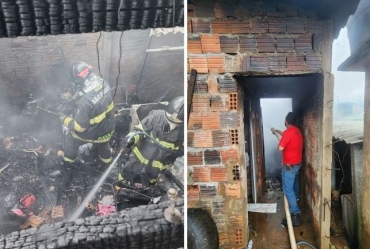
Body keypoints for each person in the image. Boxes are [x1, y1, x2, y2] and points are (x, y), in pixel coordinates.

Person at [118, 96, 184, 187]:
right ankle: (120, 183)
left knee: (153, 174)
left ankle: (151, 186)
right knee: (130, 168)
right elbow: (140, 130)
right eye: (170, 116)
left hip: (161, 160)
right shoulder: (157, 116)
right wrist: (130, 140)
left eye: (176, 119)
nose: (172, 119)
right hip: (142, 152)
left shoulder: (184, 131)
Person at [60, 62, 115, 166]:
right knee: (103, 144)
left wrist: (64, 119)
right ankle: (107, 163)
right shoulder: (103, 83)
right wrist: (76, 97)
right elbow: (93, 96)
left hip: (94, 133)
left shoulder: (84, 103)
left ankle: (68, 163)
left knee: (71, 137)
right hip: (108, 129)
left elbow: (80, 127)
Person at [272, 112, 303, 226]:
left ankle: (295, 214)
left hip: (289, 167)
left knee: (288, 190)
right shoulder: (297, 131)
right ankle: (296, 201)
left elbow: (280, 148)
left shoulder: (288, 133)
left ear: (286, 121)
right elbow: (285, 134)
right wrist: (276, 131)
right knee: (294, 186)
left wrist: (280, 141)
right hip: (297, 165)